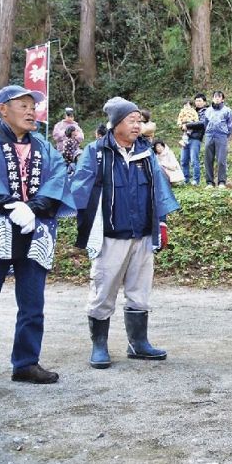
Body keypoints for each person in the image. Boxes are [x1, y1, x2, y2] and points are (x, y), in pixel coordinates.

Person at [0, 85, 75, 397]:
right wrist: (12, 206)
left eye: (33, 106)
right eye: (23, 105)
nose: (31, 111)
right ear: (3, 109)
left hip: (35, 227)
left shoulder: (44, 146)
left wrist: (32, 208)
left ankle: (25, 362)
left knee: (33, 302)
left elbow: (58, 177)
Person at [71, 97, 180, 370]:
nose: (138, 126)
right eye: (132, 120)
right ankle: (99, 345)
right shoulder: (96, 152)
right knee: (103, 290)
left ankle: (138, 343)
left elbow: (159, 192)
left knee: (140, 291)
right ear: (115, 124)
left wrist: (162, 224)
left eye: (139, 121)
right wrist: (83, 226)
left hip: (143, 235)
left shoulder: (145, 153)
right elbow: (79, 191)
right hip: (110, 236)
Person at [203, 91, 232, 188]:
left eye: (219, 97)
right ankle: (209, 182)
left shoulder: (227, 110)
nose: (217, 98)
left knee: (221, 160)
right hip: (209, 135)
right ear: (212, 98)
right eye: (215, 97)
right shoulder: (208, 110)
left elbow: (231, 124)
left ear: (222, 99)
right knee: (208, 159)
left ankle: (221, 181)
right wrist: (208, 132)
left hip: (221, 136)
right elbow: (205, 123)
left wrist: (225, 134)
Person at [181, 93, 207, 186]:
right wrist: (182, 125)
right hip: (186, 137)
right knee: (183, 160)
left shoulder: (205, 111)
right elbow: (182, 122)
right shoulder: (190, 111)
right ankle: (186, 179)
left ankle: (196, 180)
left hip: (196, 138)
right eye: (196, 101)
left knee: (194, 160)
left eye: (200, 100)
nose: (198, 103)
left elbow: (202, 123)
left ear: (204, 102)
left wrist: (187, 125)